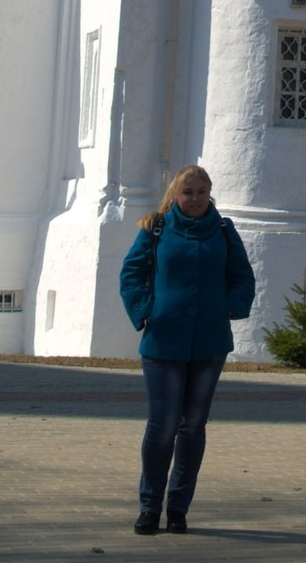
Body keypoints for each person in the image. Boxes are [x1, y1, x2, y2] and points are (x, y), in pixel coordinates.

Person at [118, 164, 253, 537]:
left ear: (210, 194)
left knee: (192, 427)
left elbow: (243, 277)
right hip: (163, 341)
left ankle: (178, 509)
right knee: (162, 427)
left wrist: (229, 307)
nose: (195, 199)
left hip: (209, 344)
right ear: (175, 195)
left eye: (201, 192)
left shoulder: (224, 232)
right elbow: (132, 274)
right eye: (188, 192)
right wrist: (146, 311)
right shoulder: (156, 228)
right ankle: (149, 507)